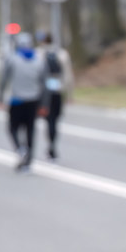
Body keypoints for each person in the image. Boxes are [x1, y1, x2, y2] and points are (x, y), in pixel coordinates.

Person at [0, 32, 47, 172]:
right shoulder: (38, 61)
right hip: (33, 100)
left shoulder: (12, 59)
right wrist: (43, 103)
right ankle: (28, 160)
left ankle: (20, 149)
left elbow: (3, 80)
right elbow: (44, 83)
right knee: (30, 129)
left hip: (17, 100)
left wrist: (0, 98)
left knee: (12, 128)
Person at [37, 32, 73, 160]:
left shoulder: (39, 54)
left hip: (44, 93)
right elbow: (68, 76)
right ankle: (52, 146)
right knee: (54, 121)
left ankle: (50, 146)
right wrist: (69, 94)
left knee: (48, 121)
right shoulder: (62, 54)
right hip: (58, 91)